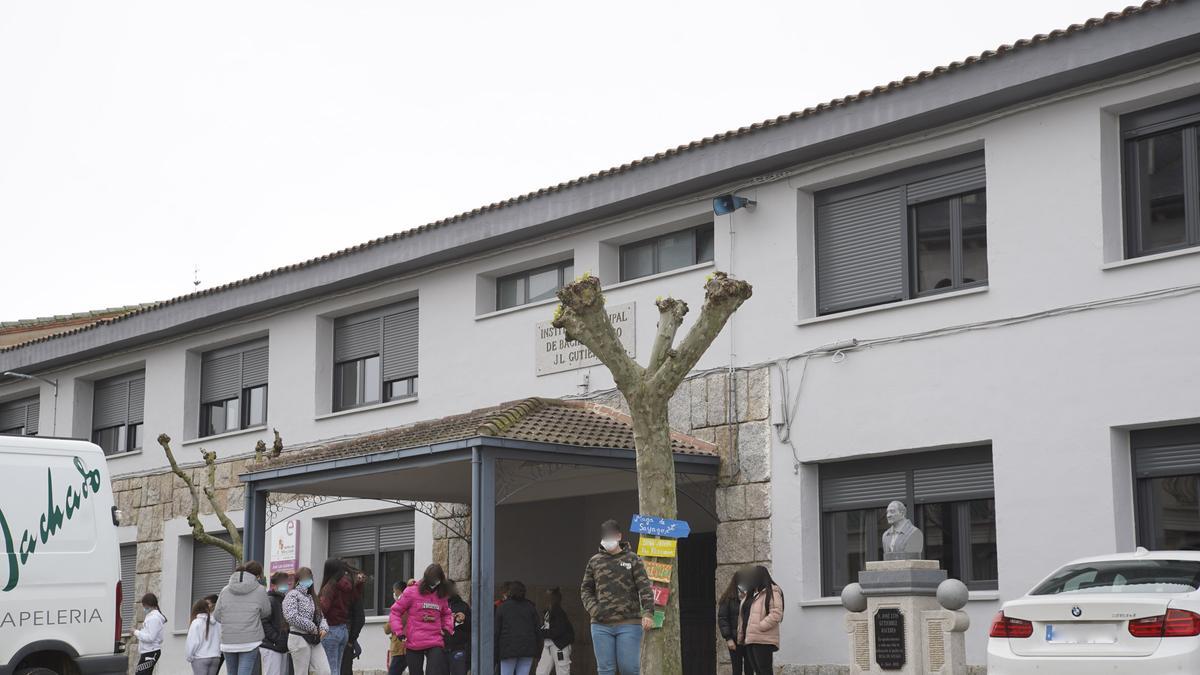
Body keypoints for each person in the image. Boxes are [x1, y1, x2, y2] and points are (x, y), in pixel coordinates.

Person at [580, 519, 654, 675]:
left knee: (629, 668)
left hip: (629, 623)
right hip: (600, 625)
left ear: (619, 536)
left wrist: (648, 613)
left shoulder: (633, 559)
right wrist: (594, 609)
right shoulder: (594, 561)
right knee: (605, 670)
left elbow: (645, 588)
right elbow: (586, 590)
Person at [390, 563, 454, 675]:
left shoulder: (441, 595)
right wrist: (399, 631)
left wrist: (447, 629)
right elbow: (395, 612)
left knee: (434, 672)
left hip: (435, 640)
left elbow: (447, 614)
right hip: (414, 641)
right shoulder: (411, 592)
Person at [214, 560, 272, 675]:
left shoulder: (225, 590)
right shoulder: (260, 590)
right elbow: (266, 612)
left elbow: (217, 615)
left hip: (228, 641)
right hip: (250, 640)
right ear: (258, 575)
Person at [284, 567, 332, 675]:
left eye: (309, 578)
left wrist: (324, 627)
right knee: (301, 673)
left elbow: (321, 617)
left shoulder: (312, 597)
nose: (307, 580)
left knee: (325, 671)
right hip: (298, 638)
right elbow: (291, 616)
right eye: (304, 577)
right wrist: (311, 627)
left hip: (314, 639)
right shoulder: (292, 595)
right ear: (297, 580)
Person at [737, 566, 784, 675]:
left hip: (763, 639)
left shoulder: (772, 592)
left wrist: (760, 626)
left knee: (764, 670)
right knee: (757, 671)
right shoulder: (751, 594)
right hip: (750, 638)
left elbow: (776, 613)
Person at [319, 559, 356, 673]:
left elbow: (323, 608)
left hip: (331, 630)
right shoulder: (347, 586)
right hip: (343, 629)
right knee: (337, 668)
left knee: (330, 669)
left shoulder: (330, 586)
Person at [495, 580, 540, 675]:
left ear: (510, 592)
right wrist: (538, 650)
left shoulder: (502, 607)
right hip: (527, 649)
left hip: (508, 650)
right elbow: (537, 630)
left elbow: (496, 631)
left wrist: (495, 653)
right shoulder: (531, 607)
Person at [536, 587, 574, 675]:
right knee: (541, 671)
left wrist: (540, 632)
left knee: (562, 671)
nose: (545, 598)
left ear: (554, 598)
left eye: (548, 596)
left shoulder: (559, 612)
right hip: (548, 645)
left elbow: (558, 631)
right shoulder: (548, 611)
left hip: (559, 646)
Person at [261, 571, 292, 675]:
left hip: (281, 647)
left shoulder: (283, 600)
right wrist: (277, 638)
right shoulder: (270, 600)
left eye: (287, 583)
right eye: (282, 583)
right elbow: (264, 622)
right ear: (273, 585)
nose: (286, 585)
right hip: (271, 647)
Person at [717, 571, 747, 675]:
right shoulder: (728, 598)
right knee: (736, 669)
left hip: (749, 639)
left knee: (750, 669)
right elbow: (722, 619)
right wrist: (728, 638)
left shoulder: (749, 597)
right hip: (735, 639)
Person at [341, 564, 368, 675]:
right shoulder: (353, 591)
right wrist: (352, 639)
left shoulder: (344, 590)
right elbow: (360, 618)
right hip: (347, 636)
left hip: (343, 635)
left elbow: (360, 618)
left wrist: (352, 640)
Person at [187, 597, 223, 675]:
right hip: (215, 657)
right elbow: (221, 639)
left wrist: (189, 656)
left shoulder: (196, 623)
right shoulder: (217, 623)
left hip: (200, 658)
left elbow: (193, 642)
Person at [133, 593, 166, 674]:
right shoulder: (151, 617)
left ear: (148, 604)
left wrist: (136, 632)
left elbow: (151, 638)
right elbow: (159, 638)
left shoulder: (154, 618)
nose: (144, 608)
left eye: (144, 605)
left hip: (150, 652)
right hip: (148, 652)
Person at [444, 580, 471, 675]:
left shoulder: (462, 606)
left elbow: (471, 628)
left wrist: (463, 620)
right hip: (439, 649)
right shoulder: (436, 605)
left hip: (458, 648)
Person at [383, 581, 410, 675]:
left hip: (401, 648)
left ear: (398, 591)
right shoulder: (408, 605)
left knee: (393, 672)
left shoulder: (402, 607)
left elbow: (388, 628)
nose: (393, 594)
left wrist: (387, 625)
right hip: (404, 647)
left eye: (394, 591)